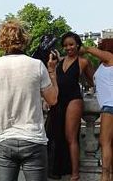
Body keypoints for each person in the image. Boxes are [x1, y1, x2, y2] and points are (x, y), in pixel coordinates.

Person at [0, 19, 59, 181]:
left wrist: (1, 104)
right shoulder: (36, 65)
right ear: (24, 40)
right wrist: (52, 72)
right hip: (33, 139)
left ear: (1, 41)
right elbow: (53, 99)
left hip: (5, 138)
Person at [46, 32, 94, 180]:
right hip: (58, 99)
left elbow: (93, 81)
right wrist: (51, 68)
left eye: (71, 44)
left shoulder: (83, 62)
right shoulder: (58, 61)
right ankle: (57, 170)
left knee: (70, 137)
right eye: (65, 45)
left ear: (78, 45)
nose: (68, 48)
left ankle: (75, 174)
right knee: (55, 134)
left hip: (74, 99)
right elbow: (50, 81)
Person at [79, 39, 113, 181]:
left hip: (110, 106)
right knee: (110, 143)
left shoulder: (110, 59)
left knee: (104, 141)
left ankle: (105, 176)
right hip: (108, 105)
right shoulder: (104, 65)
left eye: (101, 45)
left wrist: (84, 49)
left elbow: (89, 50)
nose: (98, 47)